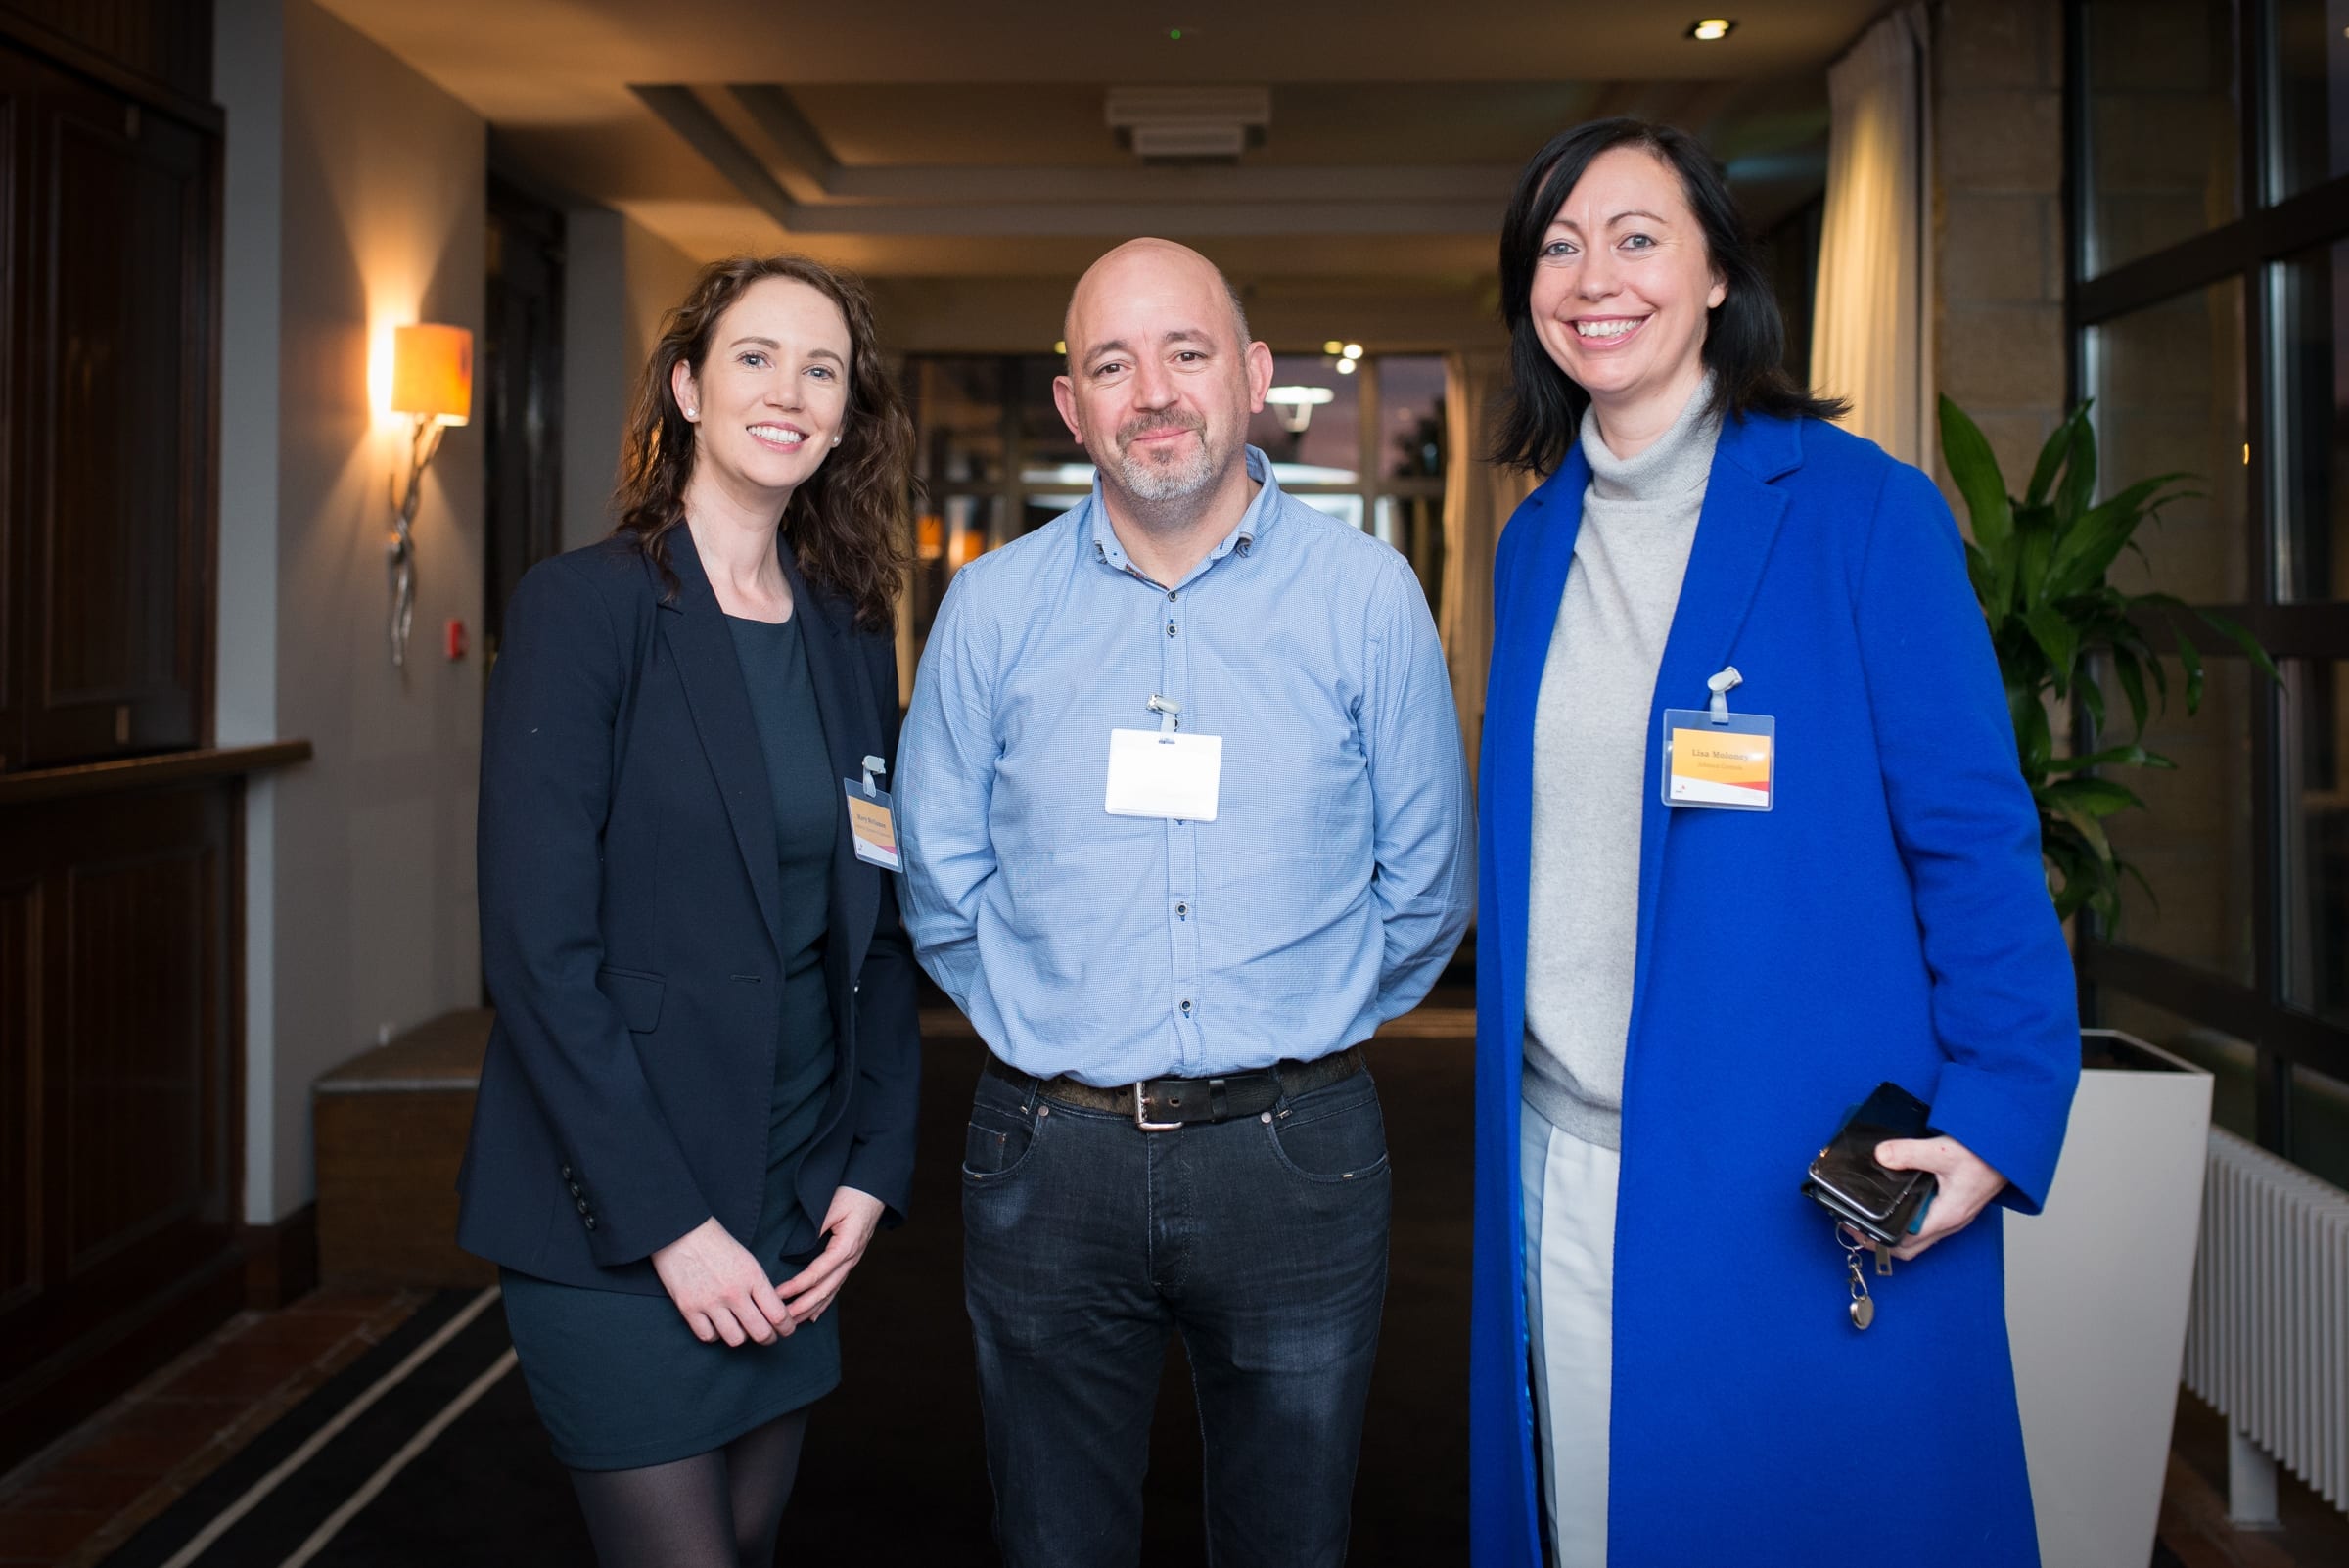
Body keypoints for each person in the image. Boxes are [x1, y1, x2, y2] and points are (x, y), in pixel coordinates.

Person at [1467, 120, 2080, 1567]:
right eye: (1558, 245)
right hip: (1562, 1156)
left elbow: (1976, 836)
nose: (1592, 277)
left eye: (1635, 237)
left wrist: (1998, 1112)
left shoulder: (1859, 511)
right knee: (1594, 1529)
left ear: (1722, 274)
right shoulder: (1535, 540)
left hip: (1782, 1174)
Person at [897, 236, 1473, 1568]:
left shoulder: (1367, 598)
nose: (1151, 390)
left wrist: (1303, 1018)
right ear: (1073, 405)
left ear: (1256, 376)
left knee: (1290, 1538)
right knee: (1052, 1539)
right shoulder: (987, 611)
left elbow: (1427, 887)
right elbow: (940, 878)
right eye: (1112, 362)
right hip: (1049, 1150)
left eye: (1186, 352)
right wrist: (1050, 1012)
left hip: (1297, 1154)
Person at [456, 254, 921, 1568]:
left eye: (821, 368)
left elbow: (875, 927)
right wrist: (669, 1224)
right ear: (688, 389)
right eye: (756, 357)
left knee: (749, 1539)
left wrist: (875, 1163)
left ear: (844, 416)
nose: (789, 390)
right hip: (620, 1207)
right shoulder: (586, 607)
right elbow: (538, 956)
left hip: (791, 1200)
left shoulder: (847, 630)